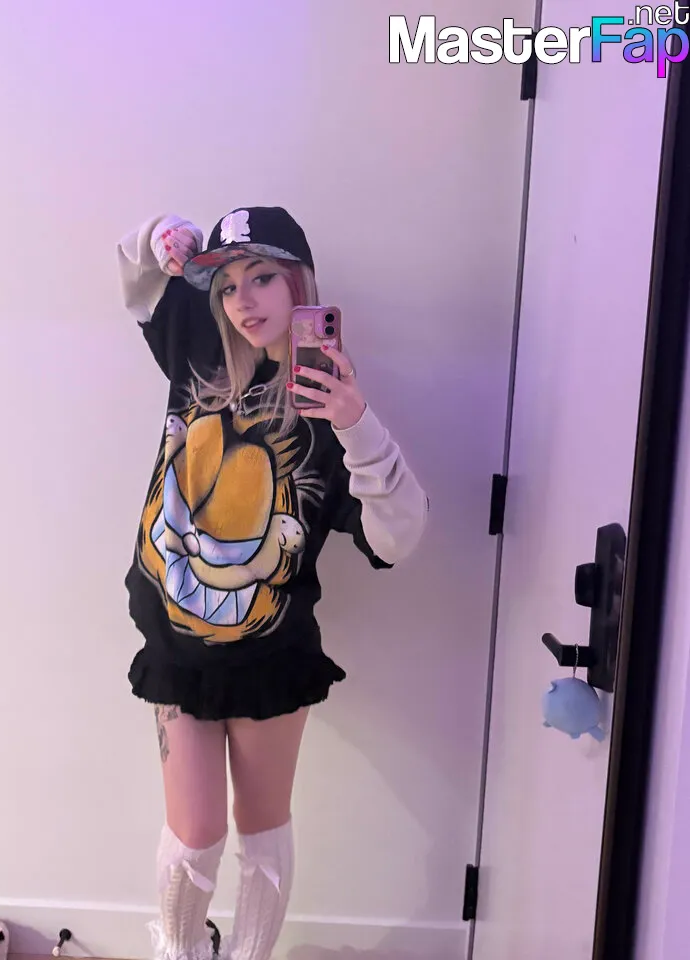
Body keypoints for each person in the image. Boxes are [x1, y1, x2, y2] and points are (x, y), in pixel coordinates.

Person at [115, 206, 430, 960]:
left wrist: (358, 424)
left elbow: (400, 537)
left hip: (271, 655)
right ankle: (181, 952)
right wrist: (160, 237)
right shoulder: (196, 350)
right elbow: (135, 279)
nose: (242, 301)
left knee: (261, 833)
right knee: (195, 835)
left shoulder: (332, 411)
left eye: (262, 278)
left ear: (300, 284)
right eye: (227, 285)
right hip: (176, 645)